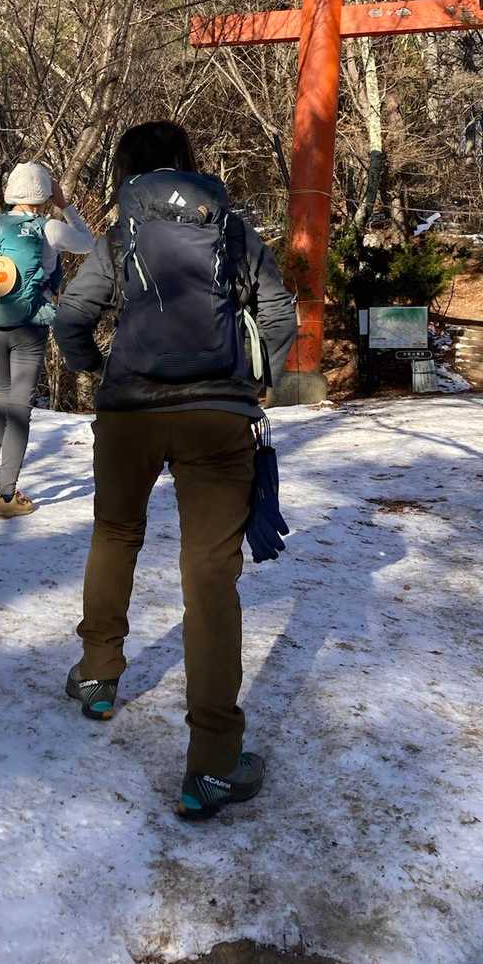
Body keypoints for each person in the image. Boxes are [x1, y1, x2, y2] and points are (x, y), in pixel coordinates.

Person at [53, 121, 296, 820]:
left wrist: (98, 368)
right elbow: (279, 314)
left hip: (129, 412)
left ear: (127, 170)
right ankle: (213, 764)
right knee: (210, 577)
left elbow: (71, 318)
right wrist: (256, 382)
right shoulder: (232, 230)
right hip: (217, 415)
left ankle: (99, 675)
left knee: (115, 534)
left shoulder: (119, 237)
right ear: (189, 164)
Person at [0, 162, 95, 517]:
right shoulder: (50, 229)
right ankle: (6, 497)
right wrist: (65, 205)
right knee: (19, 406)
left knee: (3, 394)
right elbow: (89, 243)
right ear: (45, 194)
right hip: (29, 326)